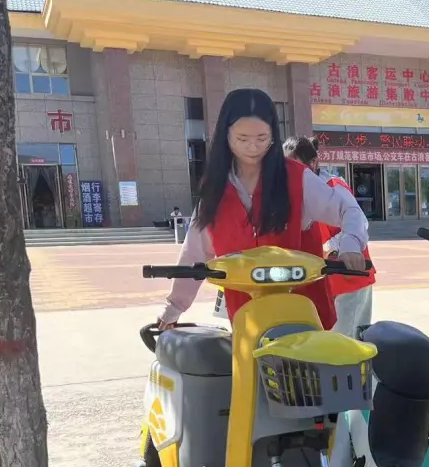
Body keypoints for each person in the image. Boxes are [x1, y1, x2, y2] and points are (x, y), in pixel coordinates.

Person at [158, 87, 368, 331]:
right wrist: (174, 308)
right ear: (225, 134)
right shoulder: (215, 188)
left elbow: (348, 209)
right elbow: (195, 251)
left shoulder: (296, 178)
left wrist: (351, 244)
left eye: (261, 138)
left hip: (304, 317)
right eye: (242, 139)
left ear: (273, 135)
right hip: (247, 319)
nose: (252, 147)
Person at [284, 135, 376, 341]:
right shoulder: (295, 191)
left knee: (346, 344)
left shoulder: (333, 185)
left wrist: (331, 246)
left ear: (313, 163)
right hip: (324, 280)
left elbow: (360, 221)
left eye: (296, 165)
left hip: (350, 277)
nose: (292, 172)